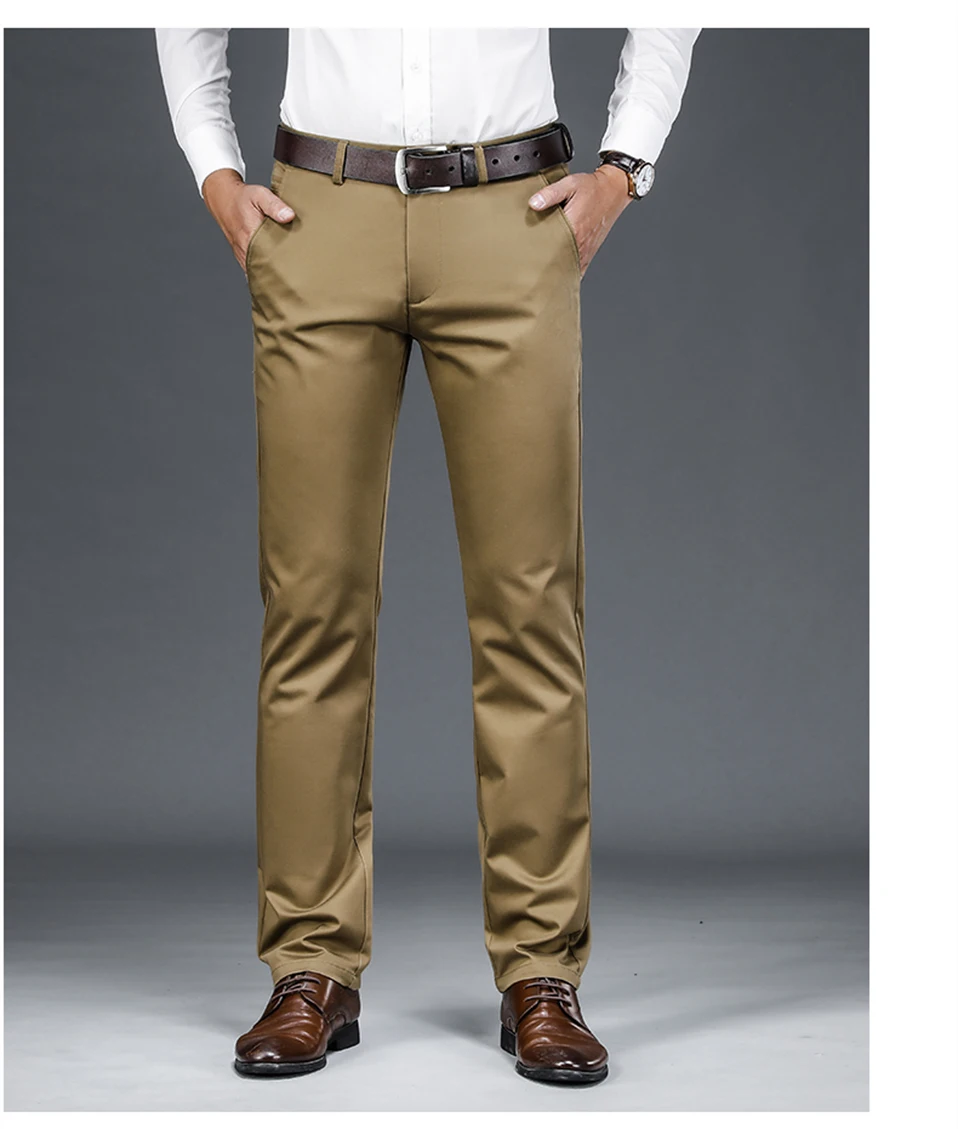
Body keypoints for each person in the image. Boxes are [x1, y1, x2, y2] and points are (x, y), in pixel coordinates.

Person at [155, 27, 699, 1085]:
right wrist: (214, 171)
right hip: (321, 214)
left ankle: (541, 971)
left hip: (511, 213)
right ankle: (309, 964)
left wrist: (624, 166)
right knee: (311, 606)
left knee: (531, 606)